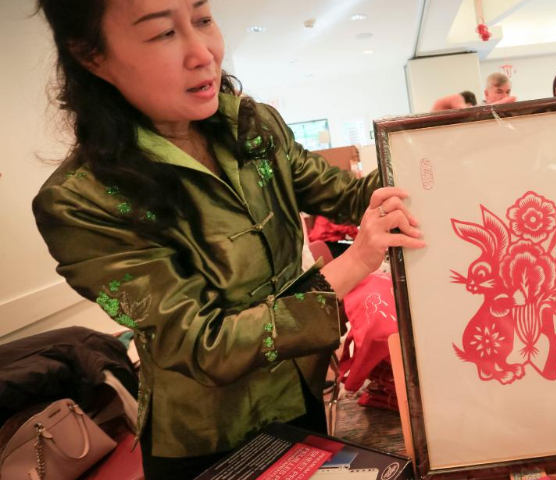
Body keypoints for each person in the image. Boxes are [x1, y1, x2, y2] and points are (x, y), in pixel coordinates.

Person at [32, 1, 425, 479]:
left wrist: (431, 158)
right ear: (92, 56)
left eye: (202, 20)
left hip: (298, 391)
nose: (203, 53)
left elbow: (350, 195)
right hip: (207, 434)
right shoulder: (81, 200)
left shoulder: (252, 126)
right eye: (162, 34)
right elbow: (204, 343)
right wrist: (355, 261)